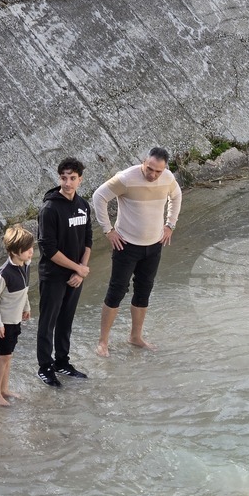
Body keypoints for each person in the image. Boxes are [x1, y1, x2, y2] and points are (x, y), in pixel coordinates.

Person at [92, 147, 182, 357]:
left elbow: (176, 197)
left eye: (157, 171)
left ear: (165, 168)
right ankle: (103, 342)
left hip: (154, 245)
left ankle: (136, 337)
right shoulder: (125, 178)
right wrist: (108, 231)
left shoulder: (168, 178)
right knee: (117, 291)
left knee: (144, 291)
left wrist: (170, 225)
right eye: (149, 169)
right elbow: (99, 197)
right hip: (126, 245)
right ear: (143, 162)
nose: (152, 174)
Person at [35, 157, 92, 387]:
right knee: (48, 322)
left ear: (80, 179)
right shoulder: (49, 209)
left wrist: (81, 271)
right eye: (63, 178)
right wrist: (77, 267)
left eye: (72, 178)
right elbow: (49, 249)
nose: (67, 183)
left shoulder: (83, 205)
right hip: (53, 276)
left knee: (66, 320)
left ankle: (62, 362)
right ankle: (45, 366)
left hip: (76, 276)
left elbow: (88, 239)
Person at [0, 225, 34, 405]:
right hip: (3, 322)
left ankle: (4, 389)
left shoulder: (25, 265)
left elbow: (24, 291)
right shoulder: (3, 273)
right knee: (4, 356)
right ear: (15, 252)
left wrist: (27, 307)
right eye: (28, 249)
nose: (32, 251)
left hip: (15, 319)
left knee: (9, 356)